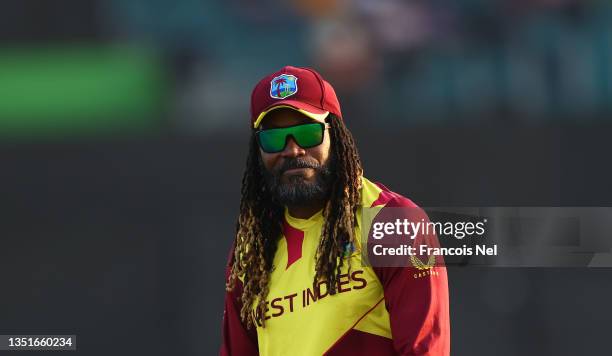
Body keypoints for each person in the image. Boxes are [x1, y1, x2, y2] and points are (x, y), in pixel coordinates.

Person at [220, 66, 450, 355]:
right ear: (258, 151)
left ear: (336, 134)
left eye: (307, 133)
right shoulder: (250, 251)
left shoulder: (393, 222)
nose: (292, 150)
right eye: (274, 139)